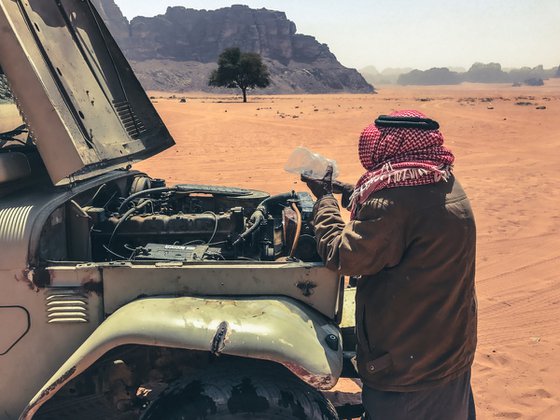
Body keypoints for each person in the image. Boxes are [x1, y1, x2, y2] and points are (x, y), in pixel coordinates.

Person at [301, 110, 477, 420]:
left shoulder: (394, 202)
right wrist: (350, 194)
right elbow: (406, 210)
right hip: (446, 350)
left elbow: (342, 255)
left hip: (408, 372)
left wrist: (325, 199)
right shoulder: (442, 180)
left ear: (390, 147)